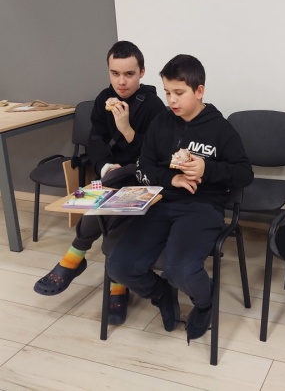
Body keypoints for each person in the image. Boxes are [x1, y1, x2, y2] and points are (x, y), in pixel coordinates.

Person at [106, 54, 253, 342]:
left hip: (202, 207)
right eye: (167, 92)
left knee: (180, 270)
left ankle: (205, 304)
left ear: (199, 91)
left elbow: (244, 174)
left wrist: (206, 169)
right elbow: (144, 166)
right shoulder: (161, 123)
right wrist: (171, 178)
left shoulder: (220, 129)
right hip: (160, 202)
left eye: (179, 93)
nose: (172, 100)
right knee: (118, 266)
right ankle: (161, 293)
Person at [34, 40, 166, 325]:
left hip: (142, 179)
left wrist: (127, 129)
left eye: (129, 74)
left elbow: (155, 155)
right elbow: (95, 141)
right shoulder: (103, 99)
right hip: (110, 176)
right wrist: (106, 166)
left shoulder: (154, 106)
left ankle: (77, 259)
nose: (121, 81)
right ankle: (112, 279)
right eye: (115, 73)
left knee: (110, 210)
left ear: (142, 72)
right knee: (101, 198)